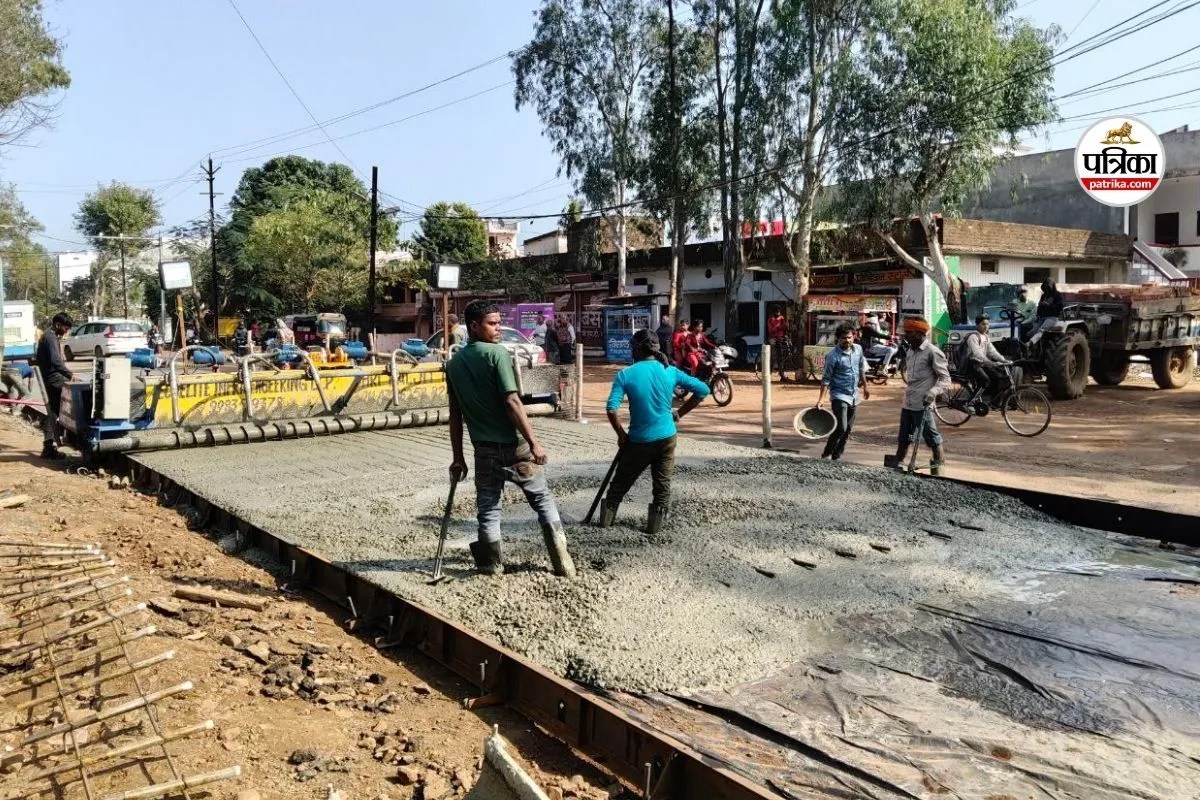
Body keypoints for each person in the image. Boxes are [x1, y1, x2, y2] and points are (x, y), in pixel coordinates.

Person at [446, 300, 575, 578]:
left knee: (488, 509)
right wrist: (534, 442)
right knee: (542, 499)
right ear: (474, 326)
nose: (498, 328)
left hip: (483, 451)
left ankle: (492, 566)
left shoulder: (453, 365)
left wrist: (458, 457)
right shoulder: (497, 354)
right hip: (515, 448)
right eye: (492, 324)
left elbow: (455, 416)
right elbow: (512, 401)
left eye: (498, 322)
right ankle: (563, 562)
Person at [602, 329, 710, 534]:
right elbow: (703, 390)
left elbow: (611, 408)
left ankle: (605, 524)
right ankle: (654, 529)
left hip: (639, 441)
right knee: (662, 486)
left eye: (632, 347)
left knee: (619, 485)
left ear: (638, 349)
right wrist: (678, 414)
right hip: (667, 438)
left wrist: (621, 435)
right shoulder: (670, 371)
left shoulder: (625, 374)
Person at [889, 317, 950, 473]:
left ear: (918, 333)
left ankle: (938, 466)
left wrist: (933, 392)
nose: (905, 336)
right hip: (908, 401)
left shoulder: (932, 352)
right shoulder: (910, 351)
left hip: (923, 403)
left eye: (908, 333)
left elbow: (945, 379)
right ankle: (898, 463)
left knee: (932, 437)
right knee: (904, 436)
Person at [815, 323, 869, 461]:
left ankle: (836, 456)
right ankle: (826, 454)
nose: (847, 340)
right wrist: (821, 400)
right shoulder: (832, 356)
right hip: (839, 396)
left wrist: (865, 387)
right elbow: (826, 379)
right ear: (838, 339)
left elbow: (861, 368)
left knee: (848, 429)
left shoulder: (858, 349)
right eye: (844, 338)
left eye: (849, 337)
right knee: (841, 427)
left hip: (854, 395)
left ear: (853, 337)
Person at [35, 312, 75, 460]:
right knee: (78, 399)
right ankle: (69, 438)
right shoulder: (50, 338)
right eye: (65, 328)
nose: (66, 332)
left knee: (53, 411)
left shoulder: (49, 335)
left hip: (51, 378)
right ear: (58, 325)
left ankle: (49, 446)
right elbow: (56, 361)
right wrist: (70, 375)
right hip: (54, 379)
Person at [960, 314, 1011, 403]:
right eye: (983, 324)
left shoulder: (985, 337)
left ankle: (994, 402)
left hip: (981, 364)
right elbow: (977, 354)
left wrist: (1003, 360)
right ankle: (971, 402)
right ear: (977, 325)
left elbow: (992, 352)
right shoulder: (973, 337)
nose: (986, 326)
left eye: (987, 324)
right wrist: (990, 363)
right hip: (972, 365)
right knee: (985, 381)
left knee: (998, 376)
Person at [766, 307, 790, 381]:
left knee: (781, 358)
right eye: (777, 312)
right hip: (773, 339)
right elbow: (771, 330)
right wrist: (779, 327)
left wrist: (783, 328)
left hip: (780, 339)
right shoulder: (770, 320)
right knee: (772, 357)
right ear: (774, 312)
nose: (778, 313)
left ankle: (782, 375)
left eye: (779, 312)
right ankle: (768, 375)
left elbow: (785, 327)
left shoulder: (782, 318)